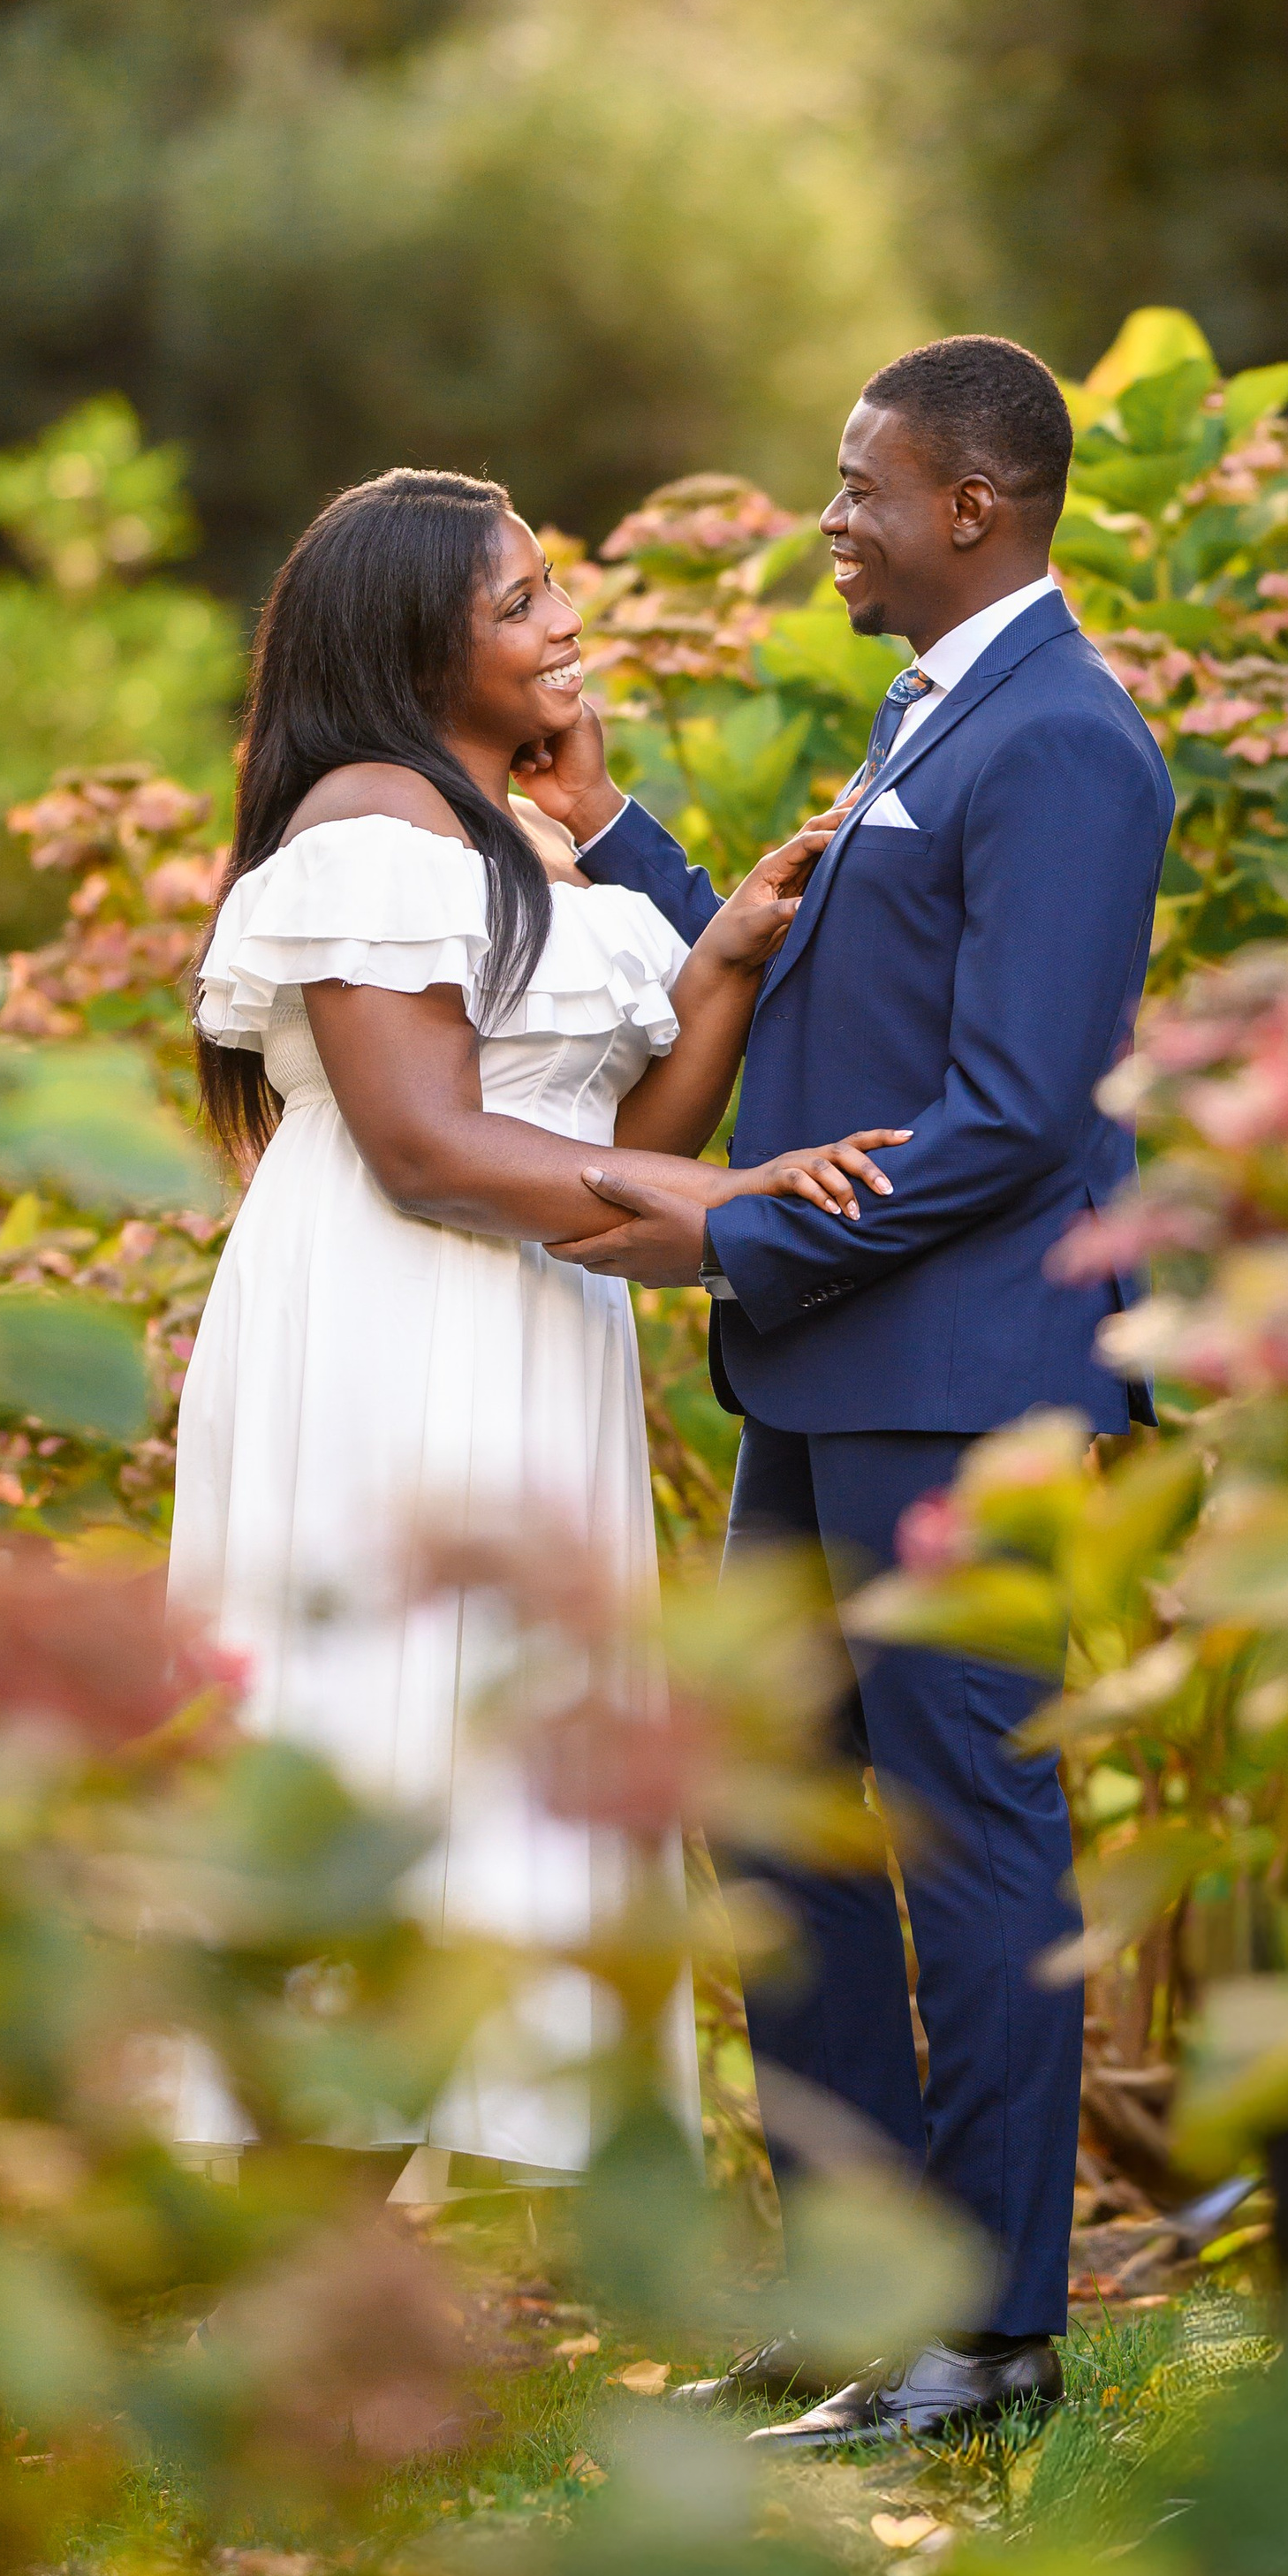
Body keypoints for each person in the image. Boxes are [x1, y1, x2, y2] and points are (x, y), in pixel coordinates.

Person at [520, 337, 1175, 2445]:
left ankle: (986, 2345)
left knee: (972, 1842)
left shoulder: (1064, 742)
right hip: (829, 1385)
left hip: (958, 1387)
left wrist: (725, 1229)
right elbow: (842, 1015)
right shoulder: (931, 712)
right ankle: (847, 2305)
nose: (831, 516)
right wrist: (619, 834)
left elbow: (1004, 1118)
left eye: (859, 485)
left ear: (969, 506)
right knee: (782, 1830)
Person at [167, 466, 902, 2195]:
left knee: (469, 1761)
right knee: (371, 1742)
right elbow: (426, 1146)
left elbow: (617, 1147)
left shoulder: (500, 831)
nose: (566, 621)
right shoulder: (364, 828)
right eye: (518, 604)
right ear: (411, 642)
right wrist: (745, 1211)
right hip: (384, 1342)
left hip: (511, 1332)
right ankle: (291, 2281)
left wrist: (715, 958)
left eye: (553, 584)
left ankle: (347, 2290)